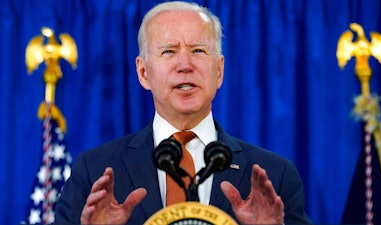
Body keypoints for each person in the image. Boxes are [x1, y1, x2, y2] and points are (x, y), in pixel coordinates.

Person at [54, 1, 312, 224]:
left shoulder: (274, 175)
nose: (185, 65)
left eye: (198, 50)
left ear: (219, 71)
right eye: (169, 51)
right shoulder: (94, 171)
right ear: (144, 72)